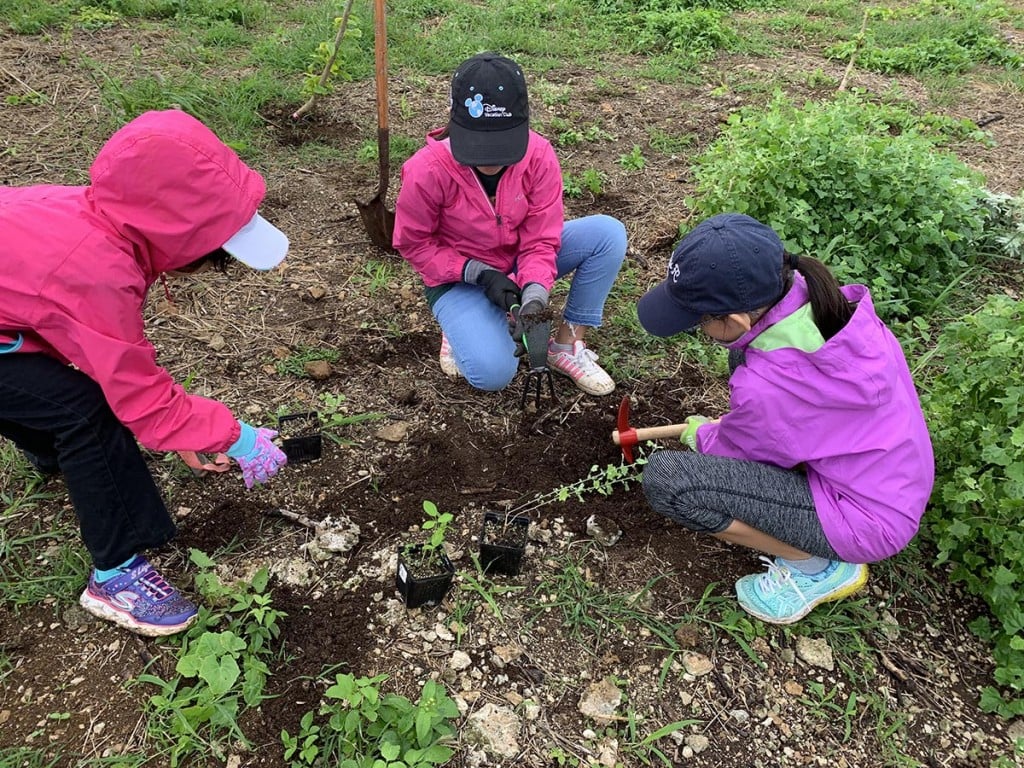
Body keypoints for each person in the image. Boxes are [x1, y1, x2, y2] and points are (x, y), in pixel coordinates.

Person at [0, 109, 289, 637]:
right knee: (86, 415)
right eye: (211, 245)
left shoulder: (83, 215)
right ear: (172, 232)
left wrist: (182, 433)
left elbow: (84, 339)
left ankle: (47, 447)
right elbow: (139, 396)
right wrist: (231, 433)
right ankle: (115, 575)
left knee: (50, 393)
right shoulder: (97, 274)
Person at [636, 213, 934, 624]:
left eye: (700, 320)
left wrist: (702, 435)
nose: (699, 328)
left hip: (864, 518)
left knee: (669, 479)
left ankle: (817, 567)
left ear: (735, 319)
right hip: (894, 478)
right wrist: (754, 422)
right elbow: (784, 413)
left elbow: (736, 456)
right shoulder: (832, 309)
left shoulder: (767, 389)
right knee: (741, 354)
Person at [393, 52, 627, 397]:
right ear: (455, 122)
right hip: (459, 279)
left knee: (606, 234)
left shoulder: (539, 155)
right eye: (479, 148)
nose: (491, 162)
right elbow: (414, 244)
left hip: (517, 259)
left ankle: (566, 345)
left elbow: (541, 240)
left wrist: (533, 294)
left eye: (502, 147)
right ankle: (459, 327)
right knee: (493, 374)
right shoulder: (426, 170)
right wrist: (477, 273)